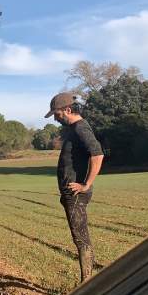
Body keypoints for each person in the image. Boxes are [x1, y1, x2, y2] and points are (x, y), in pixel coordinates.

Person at [44, 92, 104, 282]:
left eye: (57, 114)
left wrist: (86, 184)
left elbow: (97, 154)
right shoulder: (74, 129)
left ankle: (86, 286)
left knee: (81, 238)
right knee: (80, 238)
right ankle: (88, 284)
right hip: (71, 194)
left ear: (67, 109)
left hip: (77, 194)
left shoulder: (80, 129)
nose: (55, 117)